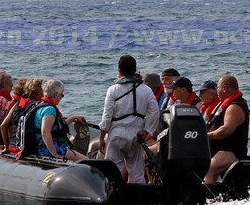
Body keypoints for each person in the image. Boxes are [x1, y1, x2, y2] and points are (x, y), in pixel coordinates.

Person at [99, 55, 160, 184]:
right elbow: (155, 111)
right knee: (137, 173)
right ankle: (138, 195)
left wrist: (102, 138)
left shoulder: (113, 90)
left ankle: (113, 194)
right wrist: (148, 131)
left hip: (117, 134)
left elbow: (107, 116)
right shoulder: (146, 90)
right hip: (137, 135)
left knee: (112, 173)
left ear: (119, 71)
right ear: (135, 70)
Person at [203, 75, 250, 185]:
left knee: (209, 170)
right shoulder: (224, 105)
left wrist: (205, 135)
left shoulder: (234, 107)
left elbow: (226, 130)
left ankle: (205, 195)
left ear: (224, 88)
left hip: (230, 152)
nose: (216, 91)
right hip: (217, 150)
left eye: (217, 88)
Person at [32, 79, 88, 161]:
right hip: (48, 148)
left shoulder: (40, 105)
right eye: (62, 95)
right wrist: (54, 153)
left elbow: (58, 127)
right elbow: (45, 132)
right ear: (55, 94)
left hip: (41, 145)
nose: (62, 97)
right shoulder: (49, 110)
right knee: (87, 160)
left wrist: (72, 118)